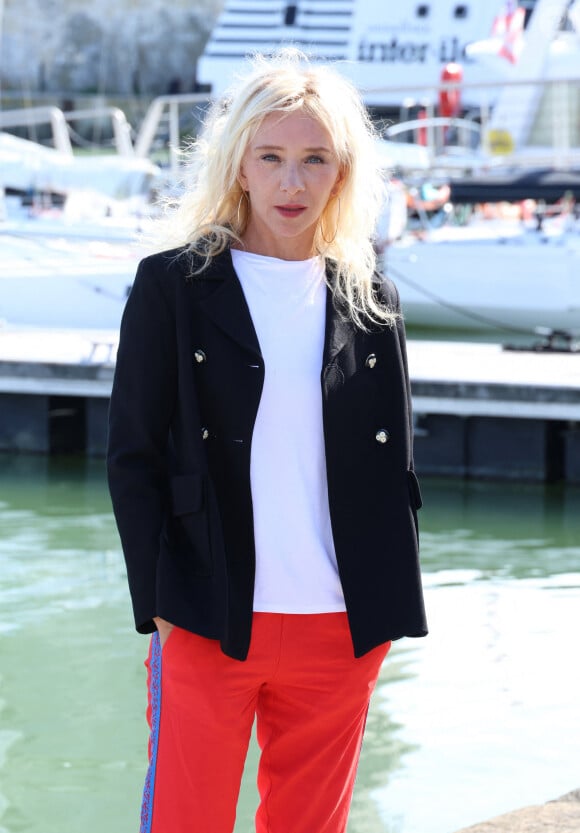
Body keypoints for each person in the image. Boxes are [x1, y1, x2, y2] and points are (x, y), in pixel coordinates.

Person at [107, 48, 427, 833]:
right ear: (239, 165)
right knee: (188, 821)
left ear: (341, 173)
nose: (293, 181)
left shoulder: (370, 299)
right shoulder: (172, 287)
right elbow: (133, 455)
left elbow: (394, 466)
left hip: (340, 626)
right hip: (210, 617)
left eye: (315, 158)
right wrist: (161, 607)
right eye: (273, 157)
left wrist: (383, 613)